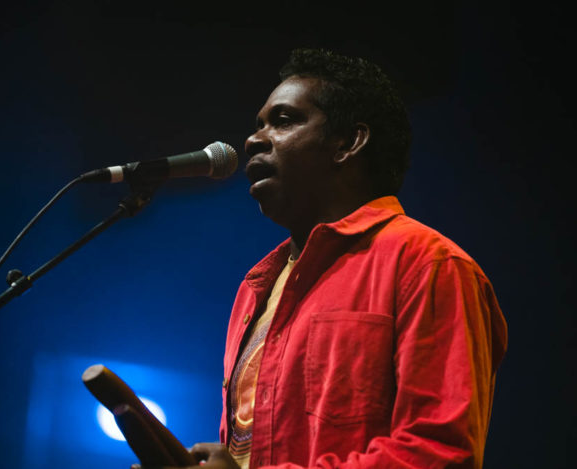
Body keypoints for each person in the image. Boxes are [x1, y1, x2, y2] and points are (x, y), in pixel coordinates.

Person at [186, 48, 508, 469]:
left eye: (283, 121)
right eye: (259, 124)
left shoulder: (429, 265)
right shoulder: (255, 288)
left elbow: (440, 453)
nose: (253, 140)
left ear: (348, 143)